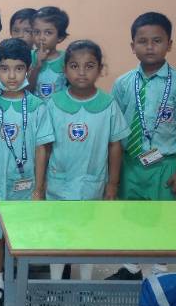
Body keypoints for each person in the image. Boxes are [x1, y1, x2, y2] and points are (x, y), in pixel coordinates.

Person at [108, 12, 176, 281]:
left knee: (165, 218)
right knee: (131, 216)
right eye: (142, 41)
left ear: (169, 44)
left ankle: (161, 270)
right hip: (131, 162)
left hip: (165, 163)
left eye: (157, 41)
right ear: (132, 46)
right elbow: (115, 128)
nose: (149, 47)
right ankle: (131, 267)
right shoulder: (123, 83)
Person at [0, 38, 53, 306]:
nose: (12, 76)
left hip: (25, 185)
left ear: (28, 69)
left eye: (18, 68)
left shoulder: (38, 106)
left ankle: (20, 283)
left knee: (22, 236)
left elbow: (42, 148)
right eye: (5, 69)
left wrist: (39, 189)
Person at [45, 40, 129, 281]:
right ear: (65, 69)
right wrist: (40, 185)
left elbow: (115, 145)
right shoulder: (54, 103)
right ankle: (55, 287)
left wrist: (112, 184)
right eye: (74, 66)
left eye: (89, 66)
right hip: (59, 184)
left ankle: (85, 287)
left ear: (100, 69)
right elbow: (45, 146)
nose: (81, 72)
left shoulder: (108, 105)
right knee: (58, 236)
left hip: (92, 184)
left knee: (88, 236)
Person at [28, 6, 69, 99]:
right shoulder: (28, 57)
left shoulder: (67, 59)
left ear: (60, 37)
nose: (41, 37)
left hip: (58, 107)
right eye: (37, 32)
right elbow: (26, 91)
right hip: (35, 107)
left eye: (48, 33)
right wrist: (37, 67)